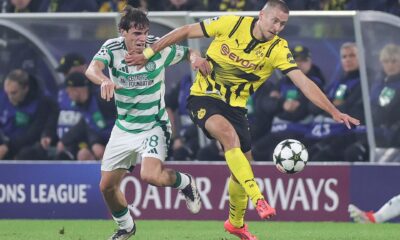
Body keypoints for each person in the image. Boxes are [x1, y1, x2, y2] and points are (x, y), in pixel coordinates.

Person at [125, 0, 360, 239]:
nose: (277, 27)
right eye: (274, 20)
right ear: (261, 15)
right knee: (228, 136)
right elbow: (185, 30)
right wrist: (147, 53)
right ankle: (259, 199)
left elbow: (303, 82)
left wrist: (333, 111)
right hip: (204, 96)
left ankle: (236, 223)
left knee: (241, 170)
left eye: (283, 23)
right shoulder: (231, 24)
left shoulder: (278, 49)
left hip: (236, 108)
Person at [85, 6, 202, 240]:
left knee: (150, 176)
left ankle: (185, 182)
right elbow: (92, 69)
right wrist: (104, 80)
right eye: (136, 34)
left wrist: (195, 58)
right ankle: (126, 227)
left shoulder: (157, 48)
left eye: (145, 33)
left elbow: (187, 52)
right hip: (124, 127)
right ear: (123, 32)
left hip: (154, 125)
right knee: (106, 187)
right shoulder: (112, 48)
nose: (142, 39)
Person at [252, 44, 326, 161]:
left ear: (310, 62)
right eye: (295, 60)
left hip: (301, 132)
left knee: (277, 155)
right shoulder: (282, 82)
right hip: (278, 131)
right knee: (255, 150)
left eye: (303, 60)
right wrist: (282, 103)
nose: (299, 64)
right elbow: (267, 105)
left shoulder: (315, 82)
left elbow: (298, 111)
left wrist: (278, 101)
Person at [307, 42, 365, 162]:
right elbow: (314, 105)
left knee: (319, 156)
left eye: (352, 55)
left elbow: (351, 109)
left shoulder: (364, 82)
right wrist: (332, 107)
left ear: (361, 57)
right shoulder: (337, 82)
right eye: (344, 57)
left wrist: (328, 106)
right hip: (323, 133)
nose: (348, 59)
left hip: (345, 135)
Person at [0, 69, 58, 160]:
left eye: (14, 93)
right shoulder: (3, 98)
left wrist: (7, 146)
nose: (9, 97)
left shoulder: (42, 102)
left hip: (27, 145)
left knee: (25, 154)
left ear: (25, 88)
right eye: (7, 93)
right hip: (4, 143)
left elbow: (33, 133)